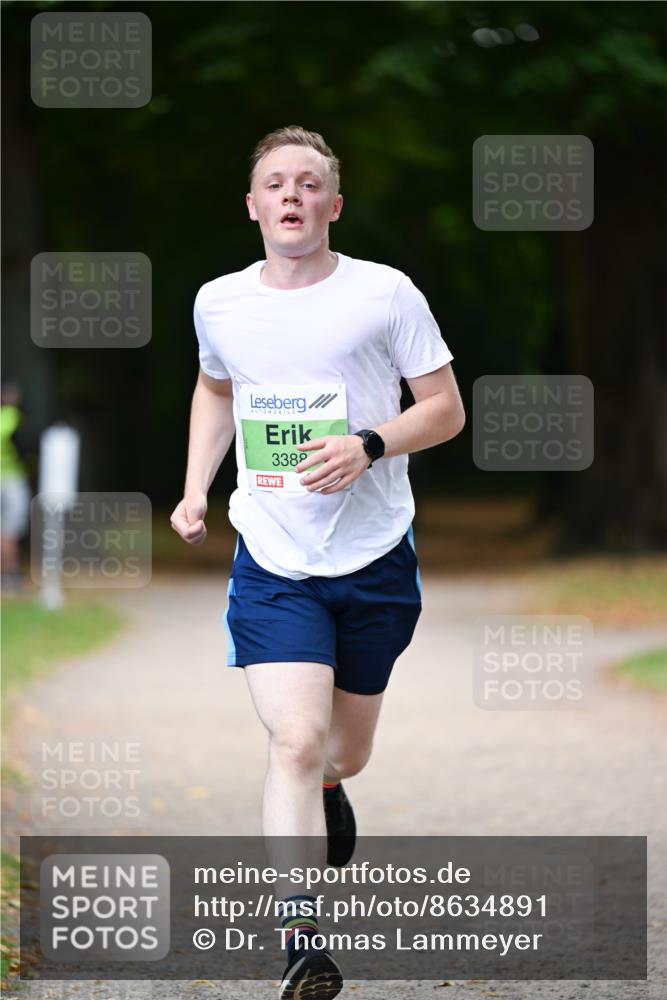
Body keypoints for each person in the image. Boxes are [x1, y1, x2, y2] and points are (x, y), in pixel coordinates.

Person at [171, 125, 465, 999]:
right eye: (275, 183)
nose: (291, 195)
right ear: (254, 205)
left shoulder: (385, 295)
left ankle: (336, 784)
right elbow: (216, 388)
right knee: (292, 741)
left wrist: (369, 444)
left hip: (374, 555)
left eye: (309, 183)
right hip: (273, 552)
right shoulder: (219, 302)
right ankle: (302, 936)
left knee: (343, 752)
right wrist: (194, 489)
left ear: (333, 206)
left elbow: (444, 409)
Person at [1, 383, 31, 592]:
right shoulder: (13, 419)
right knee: (10, 528)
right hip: (11, 479)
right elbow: (23, 448)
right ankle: (10, 572)